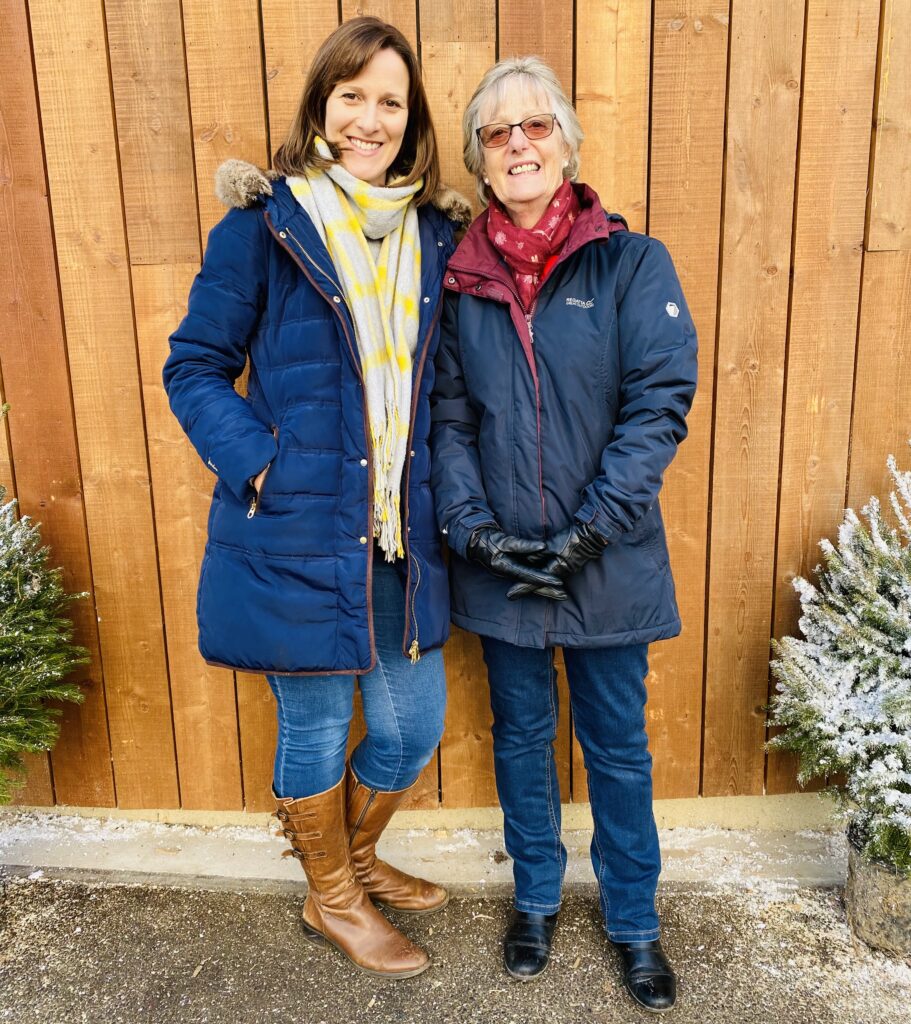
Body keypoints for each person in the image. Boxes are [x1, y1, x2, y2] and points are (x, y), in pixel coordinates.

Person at [162, 17, 498, 980]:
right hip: (297, 527)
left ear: (411, 120)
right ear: (320, 106)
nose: (369, 117)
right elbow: (193, 367)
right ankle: (333, 898)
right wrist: (261, 464)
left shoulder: (438, 235)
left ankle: (347, 857)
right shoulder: (264, 226)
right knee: (312, 723)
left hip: (398, 532)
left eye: (389, 100)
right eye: (351, 95)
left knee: (409, 726)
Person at [430, 56, 697, 1011]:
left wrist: (587, 535)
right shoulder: (462, 280)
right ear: (478, 160)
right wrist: (473, 532)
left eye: (534, 126)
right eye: (496, 134)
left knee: (617, 746)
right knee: (521, 737)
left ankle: (634, 923)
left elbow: (656, 403)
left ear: (568, 143)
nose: (516, 145)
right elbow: (449, 421)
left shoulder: (632, 263)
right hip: (504, 563)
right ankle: (536, 898)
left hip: (607, 561)